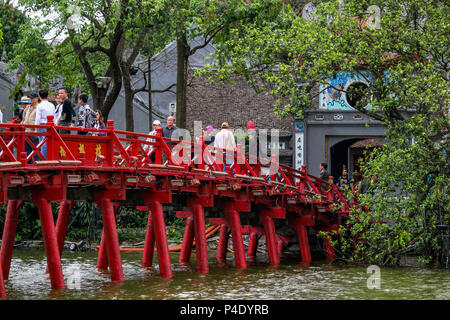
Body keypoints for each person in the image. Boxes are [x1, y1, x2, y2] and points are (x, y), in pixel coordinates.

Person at [34, 89, 55, 158]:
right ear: (47, 96)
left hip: (42, 125)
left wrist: (36, 129)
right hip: (51, 125)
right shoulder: (52, 105)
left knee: (42, 143)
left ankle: (44, 159)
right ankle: (49, 158)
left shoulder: (40, 106)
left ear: (39, 96)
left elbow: (37, 118)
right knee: (49, 143)